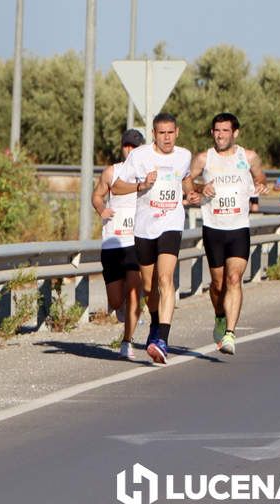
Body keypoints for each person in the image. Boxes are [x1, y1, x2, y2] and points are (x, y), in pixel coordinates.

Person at [111, 113, 193, 364]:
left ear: (177, 132)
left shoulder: (184, 155)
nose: (167, 138)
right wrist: (141, 186)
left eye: (171, 133)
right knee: (149, 286)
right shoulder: (140, 156)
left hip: (171, 223)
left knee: (166, 278)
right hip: (145, 227)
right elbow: (117, 187)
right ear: (154, 134)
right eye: (161, 133)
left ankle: (162, 340)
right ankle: (156, 324)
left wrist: (192, 193)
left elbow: (186, 178)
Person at [187, 113, 267, 355]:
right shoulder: (204, 158)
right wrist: (201, 187)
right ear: (212, 133)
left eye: (224, 131)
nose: (220, 135)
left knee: (234, 279)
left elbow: (260, 176)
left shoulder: (248, 156)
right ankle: (220, 316)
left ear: (235, 133)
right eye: (216, 131)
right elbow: (187, 182)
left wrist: (261, 183)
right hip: (214, 227)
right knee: (218, 284)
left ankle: (230, 333)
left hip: (239, 227)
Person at [91, 129, 145, 359]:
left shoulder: (148, 175)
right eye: (127, 146)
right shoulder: (112, 172)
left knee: (134, 289)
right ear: (122, 148)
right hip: (113, 242)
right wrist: (102, 208)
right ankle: (125, 309)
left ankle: (127, 341)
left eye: (134, 147)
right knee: (115, 300)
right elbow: (97, 195)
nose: (130, 150)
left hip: (137, 241)